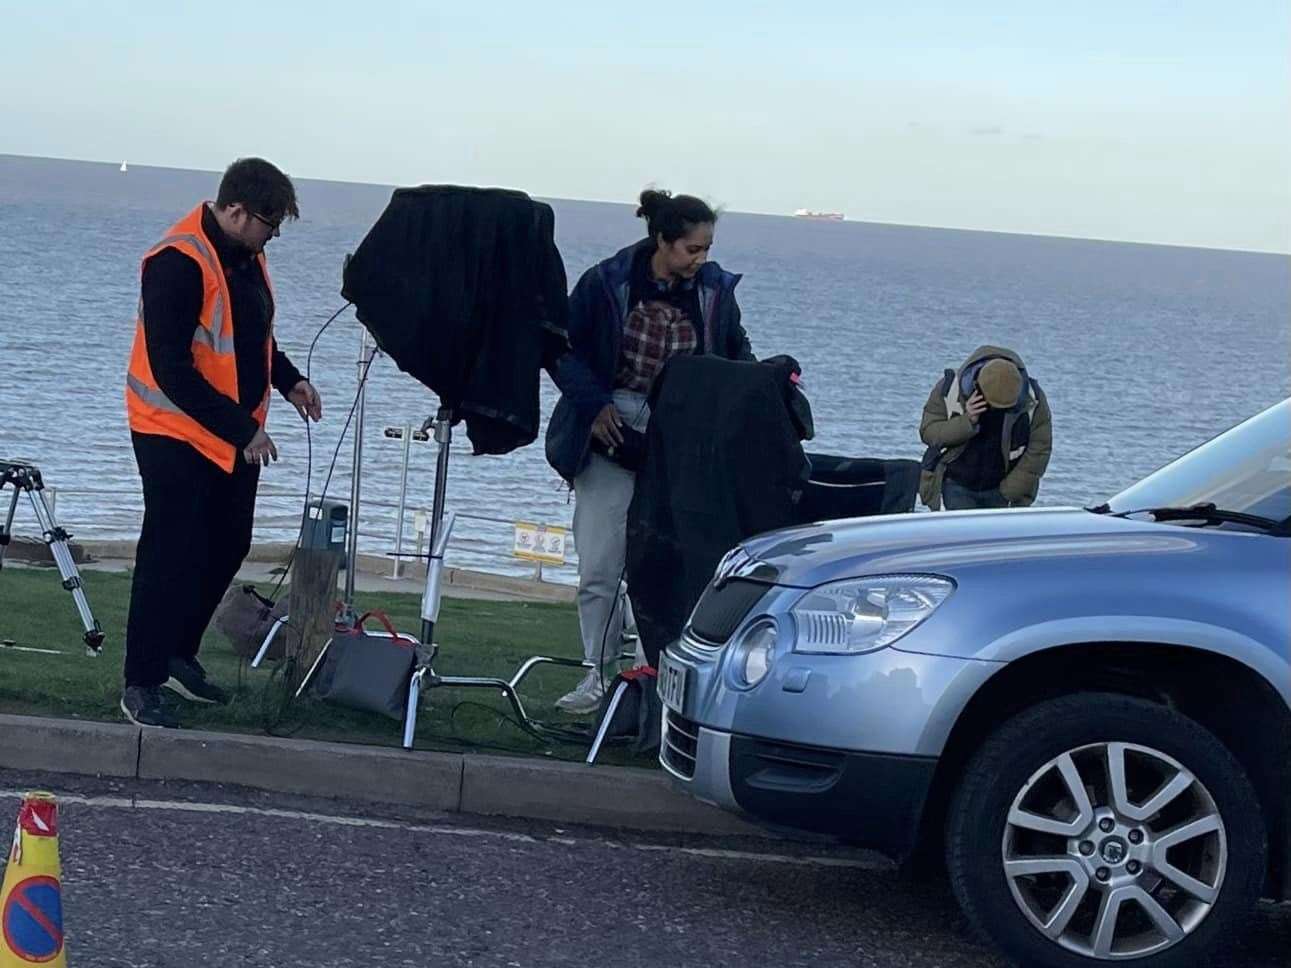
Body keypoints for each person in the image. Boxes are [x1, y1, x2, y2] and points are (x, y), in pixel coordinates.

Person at [121, 157, 322, 728]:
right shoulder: (178, 261)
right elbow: (171, 370)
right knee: (168, 552)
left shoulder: (245, 256)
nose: (271, 236)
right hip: (173, 429)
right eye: (267, 222)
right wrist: (244, 429)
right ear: (233, 210)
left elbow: (252, 334)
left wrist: (289, 381)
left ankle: (179, 654)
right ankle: (141, 681)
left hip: (230, 433)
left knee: (229, 543)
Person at [546, 189, 754, 713]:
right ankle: (593, 675)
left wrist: (763, 386)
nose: (701, 260)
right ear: (661, 240)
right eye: (692, 249)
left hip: (678, 433)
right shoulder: (605, 282)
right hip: (609, 425)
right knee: (599, 562)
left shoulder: (715, 293)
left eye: (707, 249)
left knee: (661, 564)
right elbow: (560, 349)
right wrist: (594, 406)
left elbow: (736, 353)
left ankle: (650, 683)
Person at [919, 345, 1051, 510]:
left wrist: (1010, 491)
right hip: (955, 484)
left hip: (1002, 489)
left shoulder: (1033, 400)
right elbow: (929, 433)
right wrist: (967, 421)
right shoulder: (949, 389)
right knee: (963, 535)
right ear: (976, 385)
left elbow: (1039, 451)